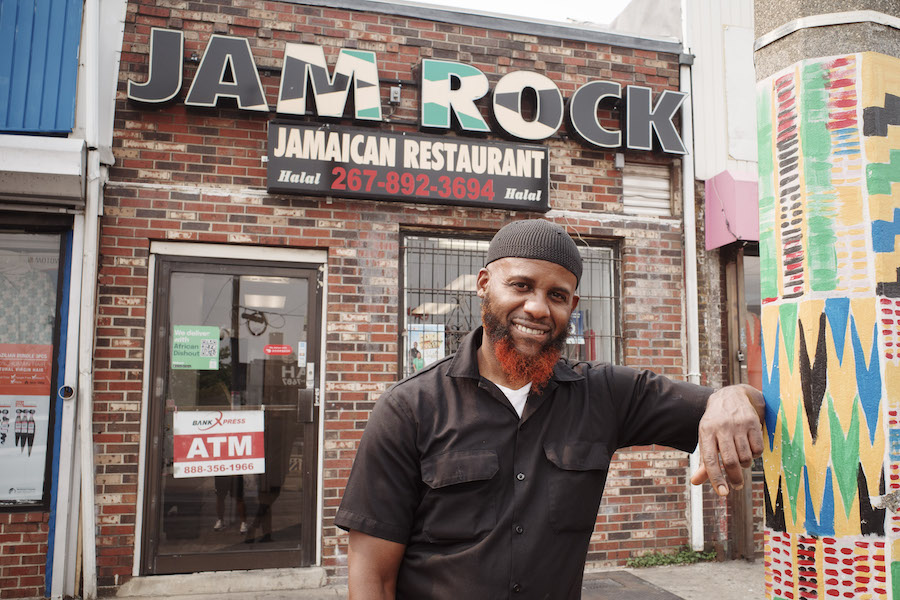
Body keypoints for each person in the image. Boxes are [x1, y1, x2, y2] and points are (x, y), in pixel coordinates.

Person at [335, 219, 764, 599]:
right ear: (484, 283)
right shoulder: (408, 408)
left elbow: (750, 405)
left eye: (556, 295)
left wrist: (730, 397)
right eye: (521, 285)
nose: (538, 307)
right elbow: (372, 578)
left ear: (571, 307)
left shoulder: (605, 394)